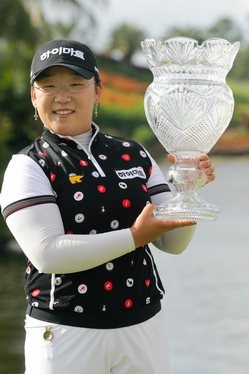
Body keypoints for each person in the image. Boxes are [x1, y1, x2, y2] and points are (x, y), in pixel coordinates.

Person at [0, 39, 215, 374]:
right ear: (34, 96)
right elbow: (48, 253)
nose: (62, 96)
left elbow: (173, 244)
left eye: (75, 84)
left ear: (97, 91)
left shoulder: (133, 154)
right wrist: (134, 236)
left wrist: (188, 190)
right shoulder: (28, 165)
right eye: (49, 86)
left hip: (143, 325)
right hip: (66, 331)